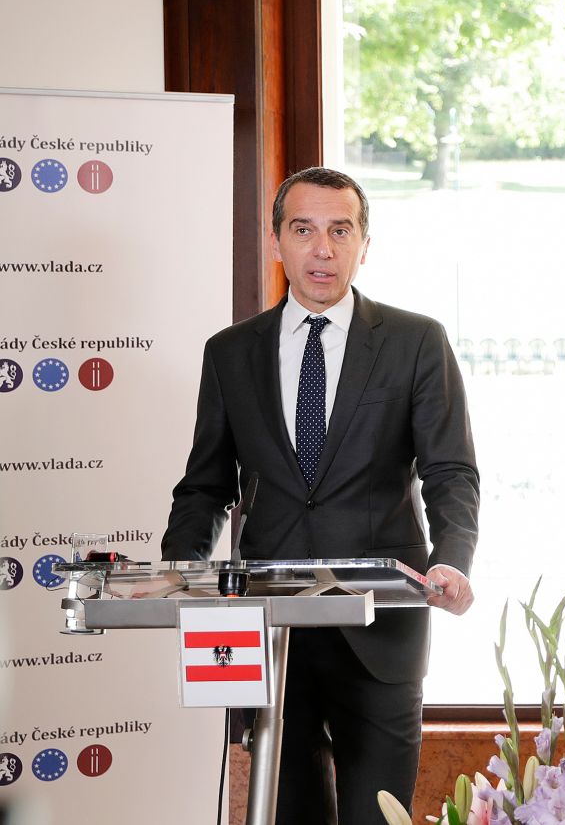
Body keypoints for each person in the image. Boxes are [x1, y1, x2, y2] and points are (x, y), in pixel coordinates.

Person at [162, 167, 480, 825]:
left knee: (378, 816)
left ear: (366, 243)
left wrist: (452, 559)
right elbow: (206, 485)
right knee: (289, 813)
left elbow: (451, 471)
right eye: (303, 230)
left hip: (382, 625)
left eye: (341, 231)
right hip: (267, 627)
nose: (322, 249)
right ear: (277, 241)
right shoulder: (229, 353)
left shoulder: (415, 341)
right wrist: (178, 570)